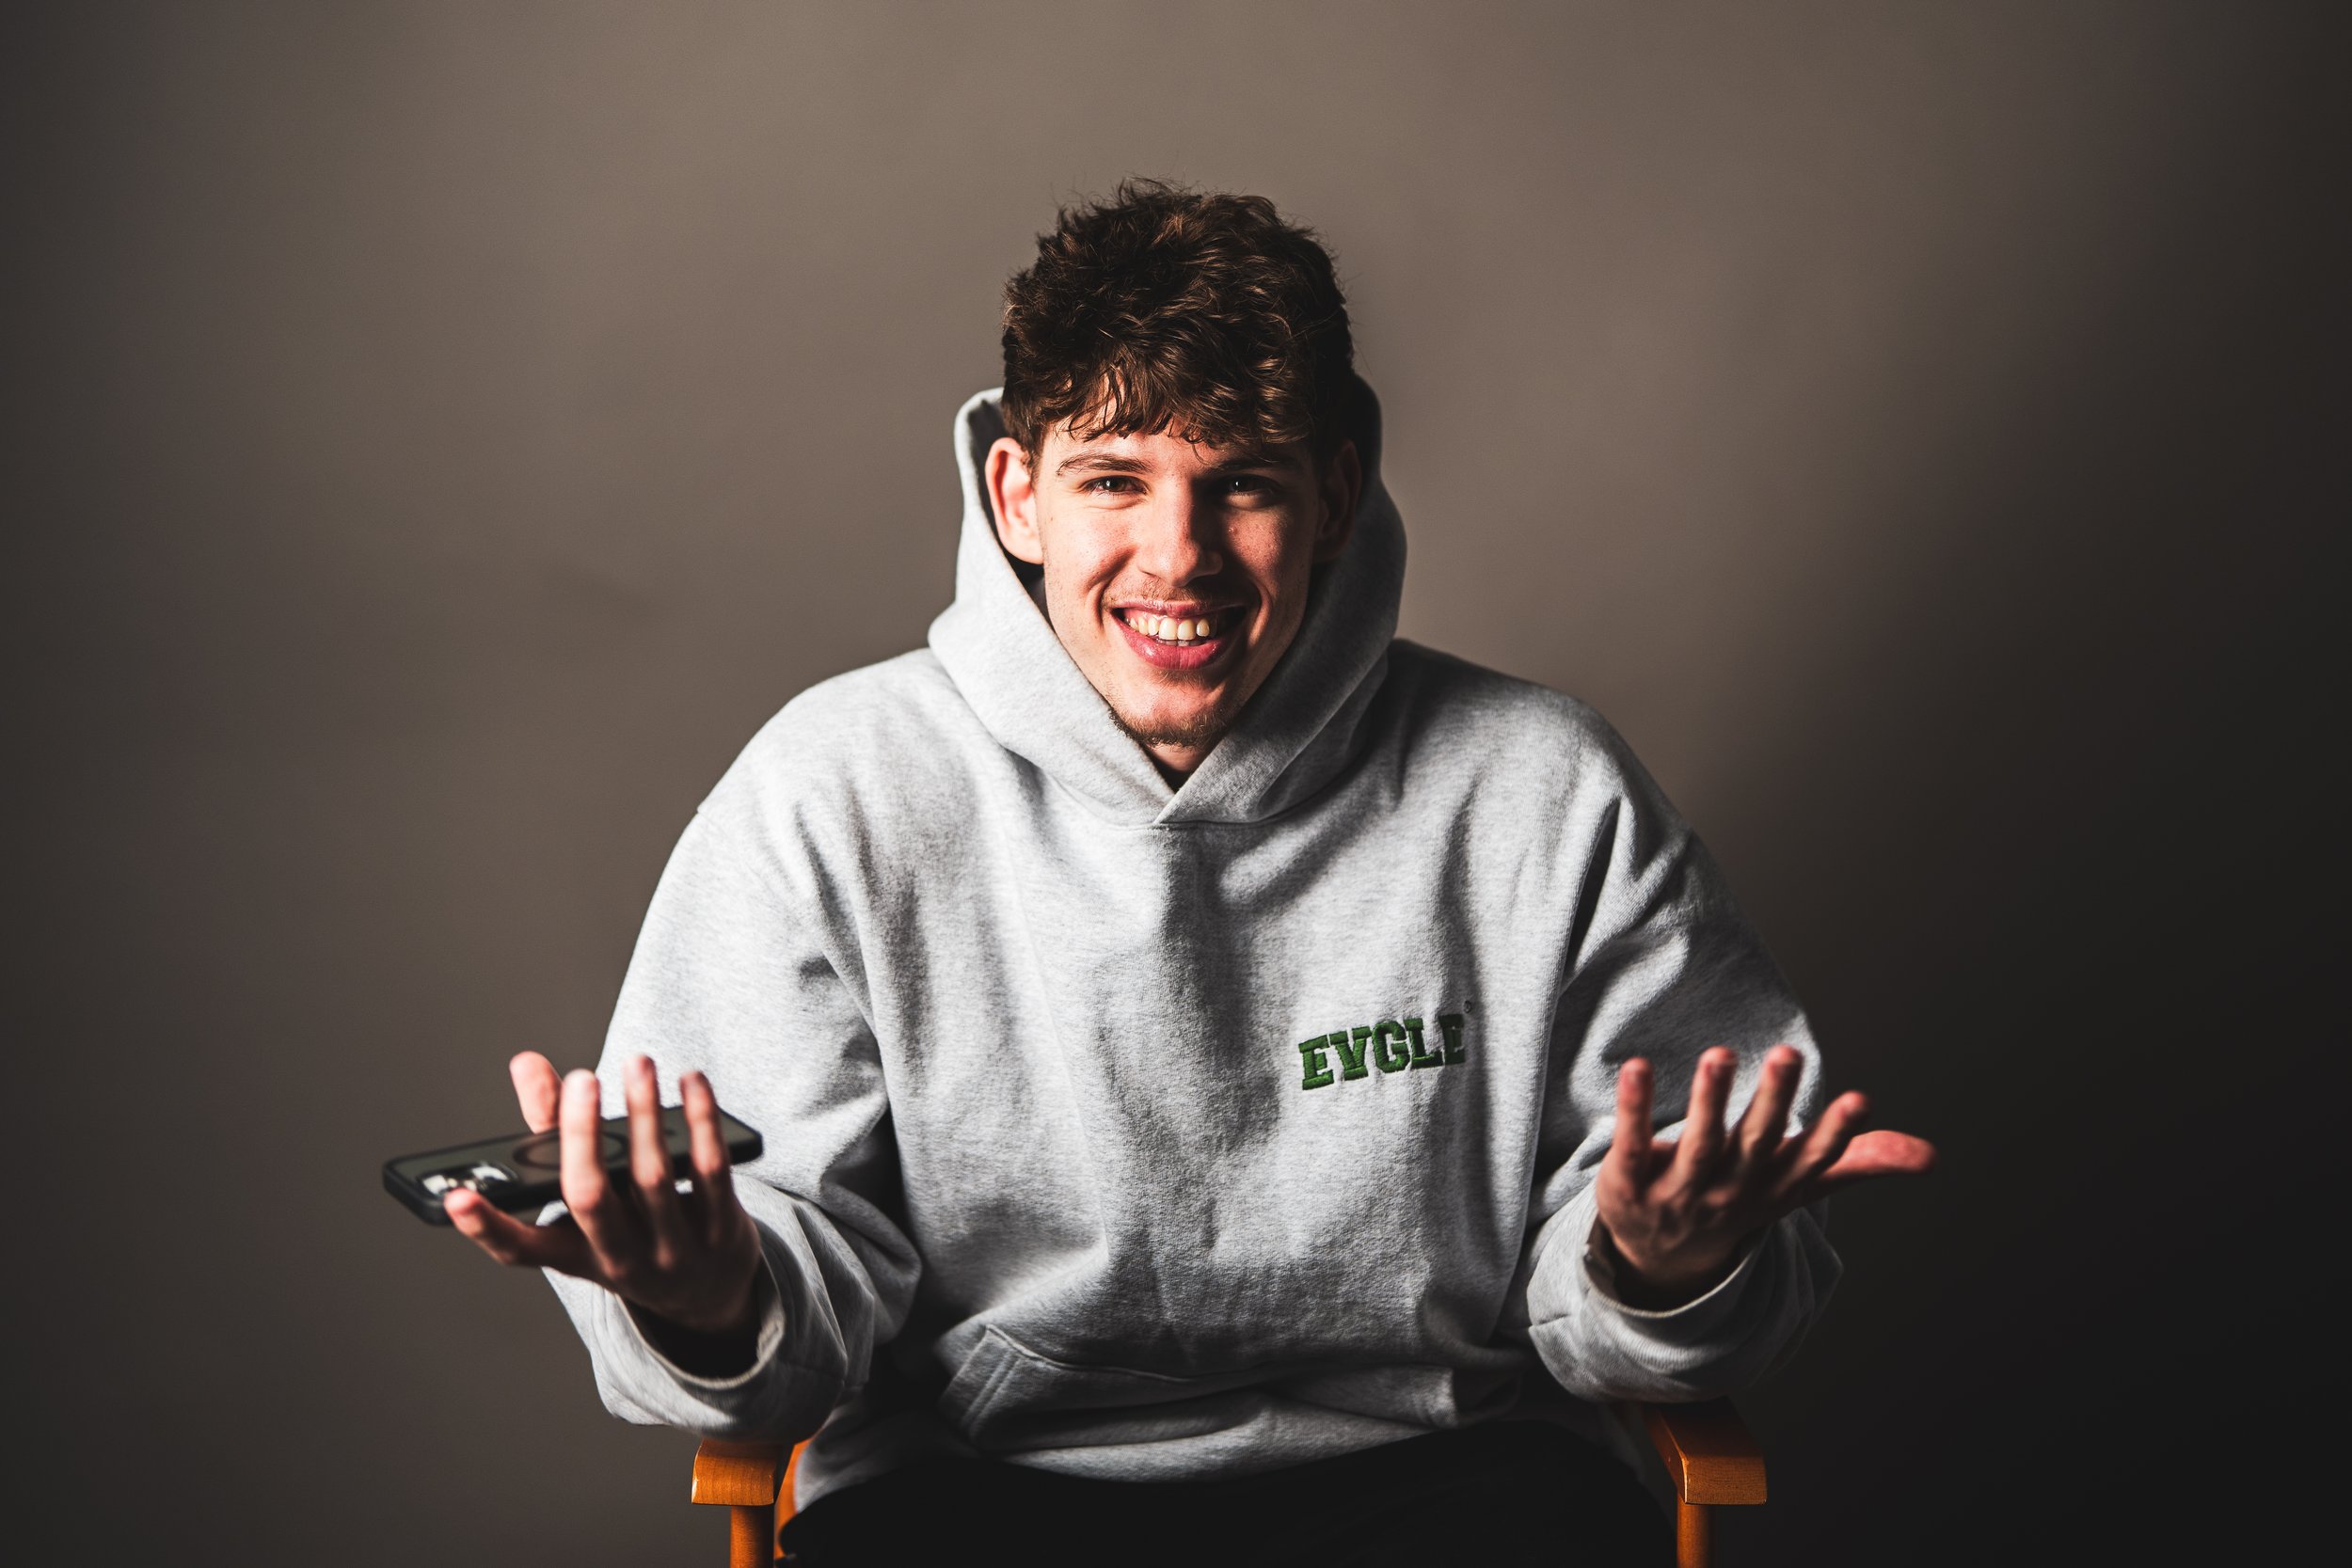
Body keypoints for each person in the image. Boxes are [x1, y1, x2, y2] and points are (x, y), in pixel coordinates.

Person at [445, 180, 1933, 1566]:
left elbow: (1690, 1269)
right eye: (1114, 480)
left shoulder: (1544, 789)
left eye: (1244, 486)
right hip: (972, 1489)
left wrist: (1651, 1267)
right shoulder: (831, 791)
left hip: (1453, 1477)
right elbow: (789, 1303)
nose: (1180, 556)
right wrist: (710, 1299)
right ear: (1017, 495)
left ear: (1337, 498)